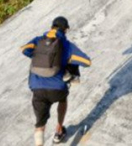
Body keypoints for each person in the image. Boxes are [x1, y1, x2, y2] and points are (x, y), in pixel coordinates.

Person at [22, 16, 92, 146]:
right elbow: (87, 62)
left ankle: (39, 142)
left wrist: (40, 56)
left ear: (52, 27)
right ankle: (59, 131)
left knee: (40, 124)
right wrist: (67, 62)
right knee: (63, 99)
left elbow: (25, 50)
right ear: (65, 30)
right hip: (58, 89)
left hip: (37, 88)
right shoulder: (66, 44)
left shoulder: (38, 40)